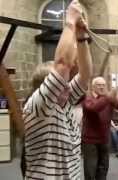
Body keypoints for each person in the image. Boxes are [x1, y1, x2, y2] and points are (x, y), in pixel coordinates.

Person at [23, 1, 92, 179]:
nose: (68, 87)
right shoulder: (37, 108)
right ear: (46, 89)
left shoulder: (66, 101)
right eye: (62, 84)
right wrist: (70, 20)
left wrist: (82, 37)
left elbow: (85, 76)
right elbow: (62, 64)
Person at [82, 77, 118, 180]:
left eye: (103, 85)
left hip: (104, 139)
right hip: (90, 141)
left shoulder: (108, 98)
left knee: (103, 168)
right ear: (93, 87)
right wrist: (108, 97)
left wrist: (116, 98)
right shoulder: (87, 98)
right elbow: (94, 108)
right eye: (99, 85)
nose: (101, 87)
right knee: (90, 169)